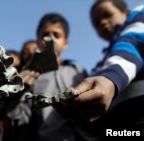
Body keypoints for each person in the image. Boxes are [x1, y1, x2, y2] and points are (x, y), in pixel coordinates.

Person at [53, 0, 144, 140]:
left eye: (107, 14)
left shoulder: (139, 15)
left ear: (126, 12)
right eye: (96, 23)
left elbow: (132, 42)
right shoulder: (104, 62)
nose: (102, 23)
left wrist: (111, 77)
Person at [8, 13, 87, 141]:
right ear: (38, 40)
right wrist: (15, 94)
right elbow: (19, 118)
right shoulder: (30, 77)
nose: (50, 39)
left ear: (65, 42)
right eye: (45, 35)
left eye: (56, 35)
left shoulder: (77, 71)